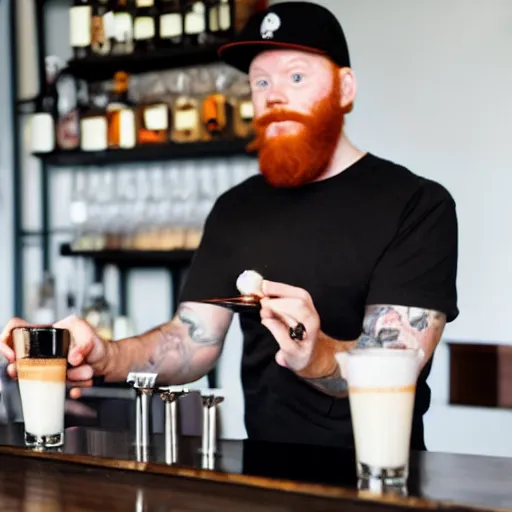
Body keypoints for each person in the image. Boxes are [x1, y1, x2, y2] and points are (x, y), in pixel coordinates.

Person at [0, 1, 458, 449]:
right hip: (261, 475)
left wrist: (316, 354)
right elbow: (189, 342)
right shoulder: (237, 207)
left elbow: (398, 364)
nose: (274, 95)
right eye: (260, 81)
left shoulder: (417, 204)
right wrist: (107, 355)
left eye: (296, 76)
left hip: (379, 476)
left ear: (345, 89)